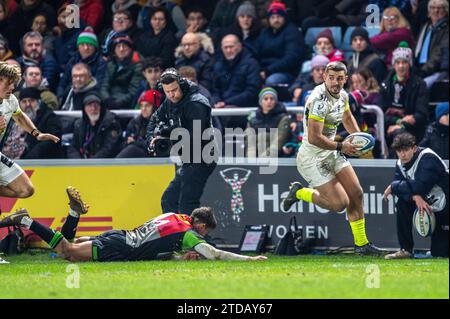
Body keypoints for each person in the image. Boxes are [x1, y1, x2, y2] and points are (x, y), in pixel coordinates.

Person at [281, 61, 385, 256]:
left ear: (346, 79)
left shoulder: (343, 95)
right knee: (339, 204)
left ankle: (362, 245)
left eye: (339, 79)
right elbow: (313, 137)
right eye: (331, 78)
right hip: (311, 157)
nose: (335, 82)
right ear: (324, 78)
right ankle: (299, 193)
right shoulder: (319, 99)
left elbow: (347, 118)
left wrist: (358, 140)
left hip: (331, 151)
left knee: (357, 193)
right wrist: (342, 145)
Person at [0, 187, 267, 262]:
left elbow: (157, 248)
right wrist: (249, 260)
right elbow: (216, 254)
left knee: (69, 248)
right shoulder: (188, 234)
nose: (202, 239)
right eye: (204, 233)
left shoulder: (172, 216)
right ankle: (26, 219)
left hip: (121, 235)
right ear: (199, 225)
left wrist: (177, 258)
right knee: (66, 252)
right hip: (120, 247)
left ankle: (73, 212)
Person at [145, 68, 216, 215]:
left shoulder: (196, 103)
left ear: (181, 84)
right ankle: (175, 235)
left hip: (202, 157)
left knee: (186, 204)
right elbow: (154, 119)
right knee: (168, 200)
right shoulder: (169, 100)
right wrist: (152, 139)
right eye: (167, 91)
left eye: (174, 90)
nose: (171, 94)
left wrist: (168, 133)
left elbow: (196, 136)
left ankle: (191, 237)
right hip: (188, 158)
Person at [383, 132, 449, 259]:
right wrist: (415, 197)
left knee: (440, 253)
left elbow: (420, 186)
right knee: (402, 203)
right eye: (399, 151)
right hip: (425, 203)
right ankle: (405, 249)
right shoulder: (400, 164)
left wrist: (393, 186)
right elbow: (406, 191)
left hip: (445, 207)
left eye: (406, 150)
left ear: (414, 148)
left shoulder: (428, 157)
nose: (403, 154)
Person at [0, 62, 59, 198]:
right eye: (8, 83)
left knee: (27, 190)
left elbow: (19, 116)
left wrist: (36, 134)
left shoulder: (11, 100)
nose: (12, 87)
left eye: (13, 83)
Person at [380, 42, 429, 154]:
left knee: (400, 136)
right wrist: (397, 121)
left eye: (404, 62)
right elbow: (380, 113)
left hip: (412, 129)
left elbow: (421, 114)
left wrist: (401, 125)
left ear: (409, 64)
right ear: (394, 64)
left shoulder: (419, 85)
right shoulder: (385, 85)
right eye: (398, 62)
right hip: (387, 128)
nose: (401, 66)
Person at [212, 34, 261, 129]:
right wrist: (216, 102)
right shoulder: (218, 65)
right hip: (222, 107)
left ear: (239, 46)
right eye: (225, 47)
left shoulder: (251, 64)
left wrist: (226, 103)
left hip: (244, 108)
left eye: (231, 47)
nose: (228, 50)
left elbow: (252, 91)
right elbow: (215, 89)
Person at [255, 1, 303, 86]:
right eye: (272, 17)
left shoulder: (292, 32)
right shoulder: (264, 33)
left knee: (271, 81)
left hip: (286, 72)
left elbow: (291, 58)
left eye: (279, 17)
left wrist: (268, 70)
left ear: (284, 17)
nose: (276, 20)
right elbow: (256, 53)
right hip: (264, 70)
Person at [57, 27, 107, 102]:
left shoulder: (101, 62)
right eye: (82, 45)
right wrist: (60, 96)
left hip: (91, 97)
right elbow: (63, 83)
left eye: (89, 45)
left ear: (95, 47)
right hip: (71, 95)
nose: (86, 48)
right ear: (78, 47)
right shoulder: (72, 61)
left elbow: (98, 84)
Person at [66, 92, 122, 159]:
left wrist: (91, 163)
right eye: (90, 105)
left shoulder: (112, 122)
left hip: (106, 163)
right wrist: (78, 162)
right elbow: (73, 146)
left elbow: (109, 148)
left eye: (96, 105)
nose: (93, 109)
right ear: (84, 109)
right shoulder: (79, 124)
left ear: (101, 107)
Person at [245, 87, 291, 157]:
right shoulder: (252, 119)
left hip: (276, 159)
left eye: (272, 99)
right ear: (260, 102)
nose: (269, 101)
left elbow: (278, 141)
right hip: (255, 160)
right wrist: (251, 159)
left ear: (275, 101)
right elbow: (250, 143)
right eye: (265, 99)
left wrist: (263, 158)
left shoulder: (283, 118)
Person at [100, 35, 143, 109]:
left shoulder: (137, 66)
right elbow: (104, 85)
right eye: (118, 46)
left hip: (126, 104)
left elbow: (133, 90)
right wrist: (107, 99)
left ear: (131, 49)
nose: (121, 49)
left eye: (125, 46)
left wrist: (118, 103)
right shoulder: (110, 64)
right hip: (108, 101)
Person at [116, 89, 162, 158]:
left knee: (132, 149)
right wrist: (128, 142)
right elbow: (122, 143)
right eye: (141, 105)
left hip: (153, 158)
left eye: (147, 105)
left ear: (154, 107)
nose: (143, 109)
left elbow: (156, 145)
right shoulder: (135, 122)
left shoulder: (160, 123)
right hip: (136, 158)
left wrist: (135, 142)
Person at [414, 0, 449, 88]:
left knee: (421, 85)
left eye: (440, 8)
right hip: (422, 67)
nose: (436, 11)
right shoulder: (426, 27)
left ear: (446, 11)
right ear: (428, 12)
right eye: (433, 8)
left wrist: (423, 72)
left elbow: (439, 53)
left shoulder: (447, 29)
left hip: (438, 70)